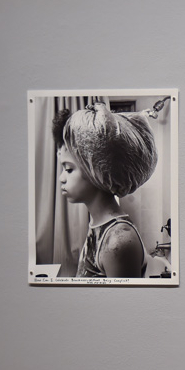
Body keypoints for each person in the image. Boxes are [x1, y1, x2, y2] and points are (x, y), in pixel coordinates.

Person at [52, 102, 158, 277]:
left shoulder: (118, 241)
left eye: (69, 169)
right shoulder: (99, 226)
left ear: (97, 171)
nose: (61, 178)